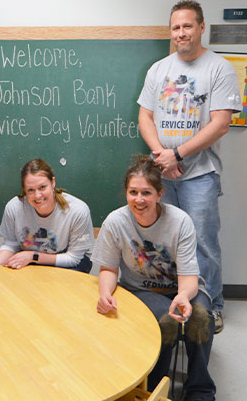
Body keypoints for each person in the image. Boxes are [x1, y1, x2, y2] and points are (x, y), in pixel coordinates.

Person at [137, 0, 241, 332]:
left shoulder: (218, 68)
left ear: (201, 27)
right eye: (176, 27)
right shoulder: (158, 69)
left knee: (203, 242)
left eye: (187, 26)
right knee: (165, 240)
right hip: (162, 172)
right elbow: (145, 117)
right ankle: (177, 299)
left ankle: (211, 308)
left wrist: (177, 154)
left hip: (199, 175)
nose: (181, 33)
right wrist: (160, 155)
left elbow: (221, 123)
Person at [93, 155, 215, 400]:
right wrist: (105, 293)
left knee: (201, 318)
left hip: (181, 288)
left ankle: (200, 389)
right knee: (165, 318)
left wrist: (182, 296)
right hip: (140, 291)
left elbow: (189, 278)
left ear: (160, 194)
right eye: (133, 192)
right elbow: (108, 269)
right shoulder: (115, 222)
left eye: (146, 193)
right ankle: (154, 388)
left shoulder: (180, 222)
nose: (139, 200)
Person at [0, 159, 94, 272]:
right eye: (30, 190)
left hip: (70, 264)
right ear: (24, 190)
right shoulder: (14, 207)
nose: (37, 196)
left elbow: (74, 258)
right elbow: (11, 245)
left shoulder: (78, 210)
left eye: (42, 187)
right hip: (31, 261)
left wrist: (32, 256)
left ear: (53, 183)